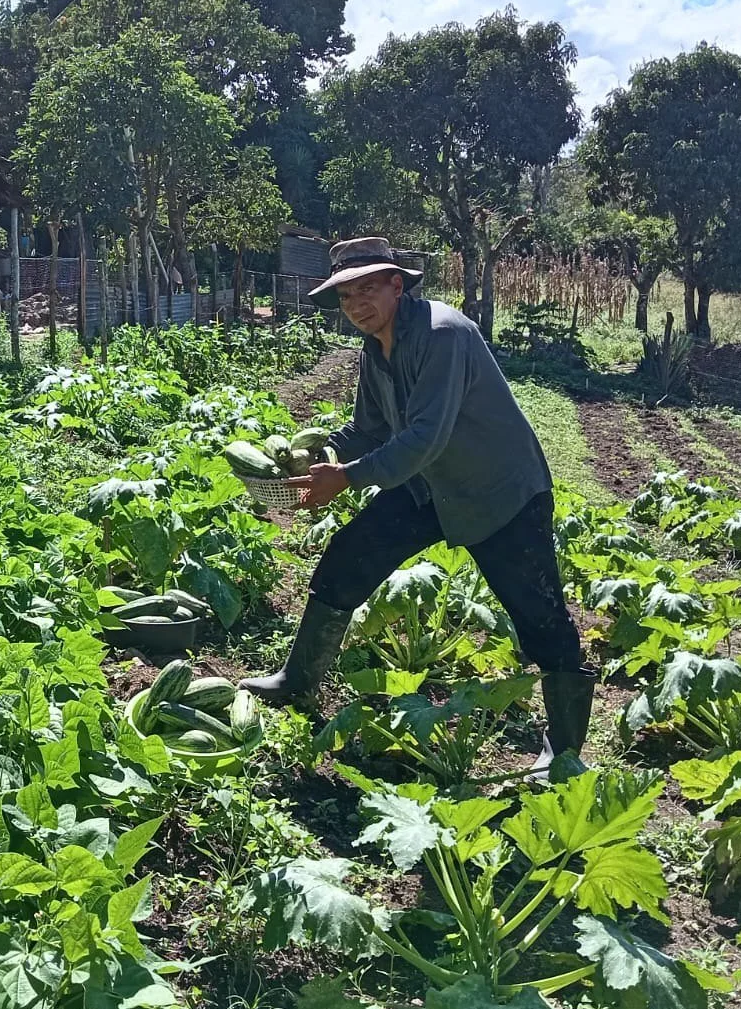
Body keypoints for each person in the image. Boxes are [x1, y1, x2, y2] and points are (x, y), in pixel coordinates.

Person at [239, 237, 596, 779]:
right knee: (349, 555)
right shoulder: (374, 348)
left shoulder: (442, 334)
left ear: (397, 285)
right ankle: (298, 683)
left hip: (499, 492)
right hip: (429, 488)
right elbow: (368, 431)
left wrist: (349, 478)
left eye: (367, 289)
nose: (357, 304)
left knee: (539, 616)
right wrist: (322, 455)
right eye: (346, 296)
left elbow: (426, 436)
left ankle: (565, 750)